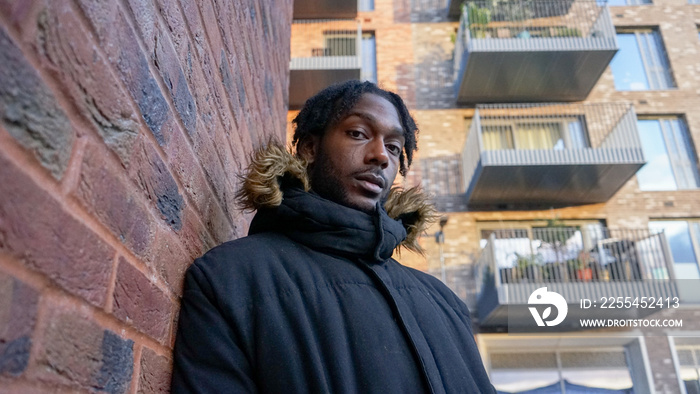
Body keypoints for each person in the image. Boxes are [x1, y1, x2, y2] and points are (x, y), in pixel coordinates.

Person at [171, 80, 495, 393]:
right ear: (310, 147)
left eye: (394, 147)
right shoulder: (231, 278)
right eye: (358, 133)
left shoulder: (446, 302)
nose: (381, 155)